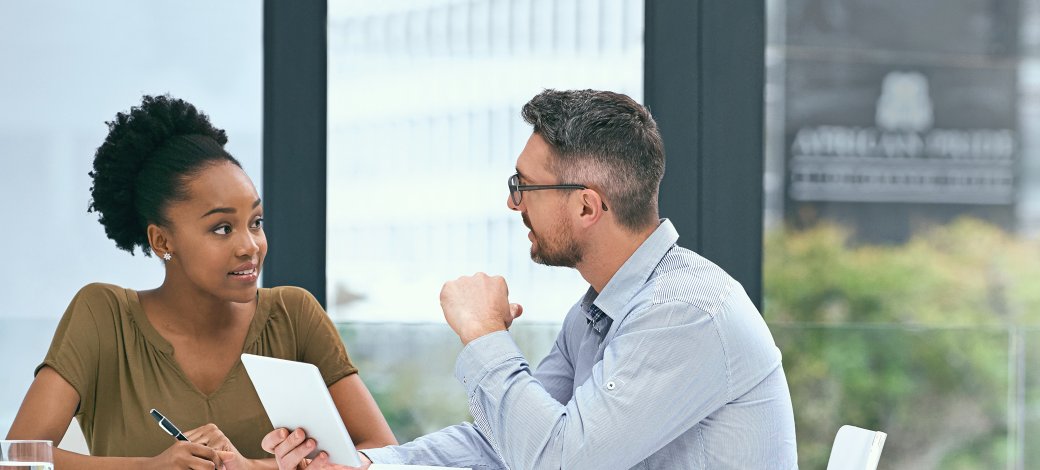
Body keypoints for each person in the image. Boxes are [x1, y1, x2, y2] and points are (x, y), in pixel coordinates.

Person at [263, 89, 797, 469]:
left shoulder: (684, 313)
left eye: (525, 186)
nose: (512, 202)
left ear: (587, 206)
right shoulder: (596, 314)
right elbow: (506, 445)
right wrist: (364, 465)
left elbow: (557, 461)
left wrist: (485, 335)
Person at [5, 95, 397, 469]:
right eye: (223, 228)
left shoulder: (293, 315)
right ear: (162, 240)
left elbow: (384, 452)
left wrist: (250, 467)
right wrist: (151, 467)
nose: (250, 246)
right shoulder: (104, 316)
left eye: (255, 223)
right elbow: (18, 459)